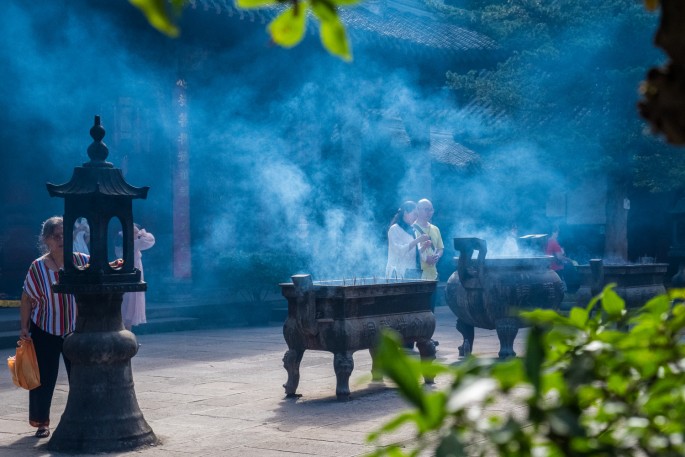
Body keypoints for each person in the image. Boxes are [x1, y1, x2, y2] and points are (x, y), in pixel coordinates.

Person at [19, 216, 89, 438]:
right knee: (44, 379)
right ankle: (42, 422)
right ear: (46, 239)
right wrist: (24, 327)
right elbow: (26, 298)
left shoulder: (81, 261)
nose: (61, 240)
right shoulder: (37, 266)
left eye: (64, 235)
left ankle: (83, 418)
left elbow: (102, 271)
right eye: (56, 236)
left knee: (79, 377)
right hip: (44, 328)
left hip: (75, 329)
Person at [116, 223, 155, 331]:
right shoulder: (132, 244)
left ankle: (128, 330)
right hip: (131, 271)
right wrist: (143, 233)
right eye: (135, 233)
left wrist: (139, 233)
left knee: (131, 299)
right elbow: (150, 240)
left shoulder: (131, 243)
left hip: (134, 270)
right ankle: (125, 330)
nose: (137, 234)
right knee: (128, 299)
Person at [386, 201, 430, 280]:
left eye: (417, 215)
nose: (416, 217)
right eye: (414, 214)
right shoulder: (394, 229)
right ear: (405, 213)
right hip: (398, 272)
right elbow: (398, 250)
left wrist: (424, 247)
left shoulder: (413, 230)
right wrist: (417, 241)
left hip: (412, 271)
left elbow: (415, 252)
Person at [413, 199, 444, 281]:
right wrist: (426, 258)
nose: (429, 212)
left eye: (431, 210)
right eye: (426, 209)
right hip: (417, 275)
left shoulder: (436, 229)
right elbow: (410, 251)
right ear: (418, 209)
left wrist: (437, 256)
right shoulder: (412, 228)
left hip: (433, 275)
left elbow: (440, 248)